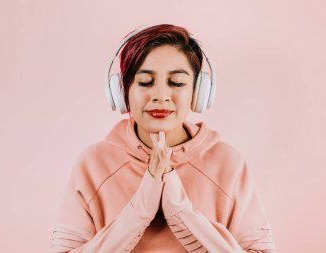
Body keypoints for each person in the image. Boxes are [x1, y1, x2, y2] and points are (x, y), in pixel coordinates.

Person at [50, 24, 276, 253]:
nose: (160, 96)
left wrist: (182, 212)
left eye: (177, 83)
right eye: (145, 82)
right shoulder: (93, 163)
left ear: (198, 92)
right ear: (122, 91)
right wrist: (139, 211)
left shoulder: (229, 164)